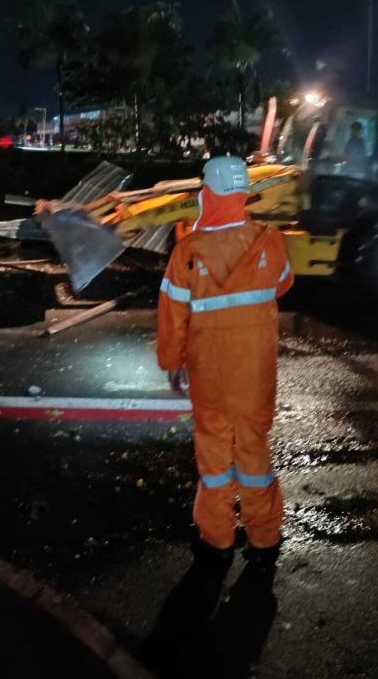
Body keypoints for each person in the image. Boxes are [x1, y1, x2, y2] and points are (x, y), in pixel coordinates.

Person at [157, 155, 293, 568]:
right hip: (255, 376)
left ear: (208, 194)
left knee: (214, 458)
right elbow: (284, 283)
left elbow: (172, 319)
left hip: (209, 377)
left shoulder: (188, 252)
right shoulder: (269, 241)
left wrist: (172, 363)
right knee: (253, 452)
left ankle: (217, 540)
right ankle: (265, 537)